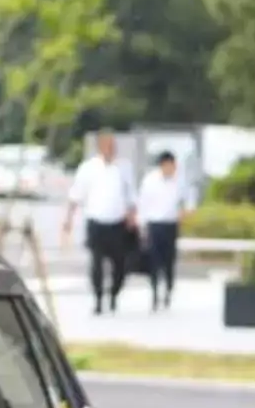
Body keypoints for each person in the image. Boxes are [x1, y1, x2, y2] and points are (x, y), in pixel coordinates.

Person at [61, 129, 136, 314]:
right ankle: (98, 299)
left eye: (113, 145)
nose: (110, 149)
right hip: (96, 221)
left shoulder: (124, 167)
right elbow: (76, 195)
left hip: (117, 223)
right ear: (100, 147)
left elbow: (131, 196)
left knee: (120, 263)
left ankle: (114, 293)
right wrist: (68, 219)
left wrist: (132, 217)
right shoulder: (88, 168)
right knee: (96, 262)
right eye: (107, 145)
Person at [134, 150, 185, 310]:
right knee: (154, 261)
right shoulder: (150, 181)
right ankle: (155, 293)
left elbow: (187, 199)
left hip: (171, 224)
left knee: (169, 260)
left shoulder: (179, 180)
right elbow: (143, 203)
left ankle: (168, 291)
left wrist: (184, 213)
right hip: (155, 225)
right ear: (163, 164)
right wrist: (142, 227)